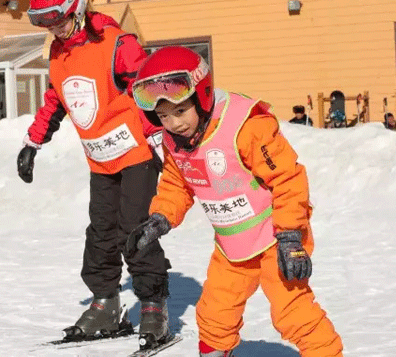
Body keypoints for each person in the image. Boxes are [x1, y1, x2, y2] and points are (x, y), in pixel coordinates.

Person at [126, 46, 344, 357]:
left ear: (201, 96)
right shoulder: (175, 141)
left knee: (293, 313)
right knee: (215, 314)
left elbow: (288, 178)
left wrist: (291, 236)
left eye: (179, 111)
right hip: (233, 246)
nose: (174, 124)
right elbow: (177, 182)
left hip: (277, 240)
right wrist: (160, 218)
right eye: (163, 116)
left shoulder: (245, 126)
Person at [17, 0, 170, 348]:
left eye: (59, 19)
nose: (54, 29)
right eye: (44, 22)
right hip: (101, 160)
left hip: (136, 154)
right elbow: (56, 99)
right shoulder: (59, 51)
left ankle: (153, 305)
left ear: (77, 8)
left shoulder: (117, 44)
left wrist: (162, 137)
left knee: (134, 228)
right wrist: (32, 143)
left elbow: (148, 88)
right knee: (101, 233)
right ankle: (105, 304)